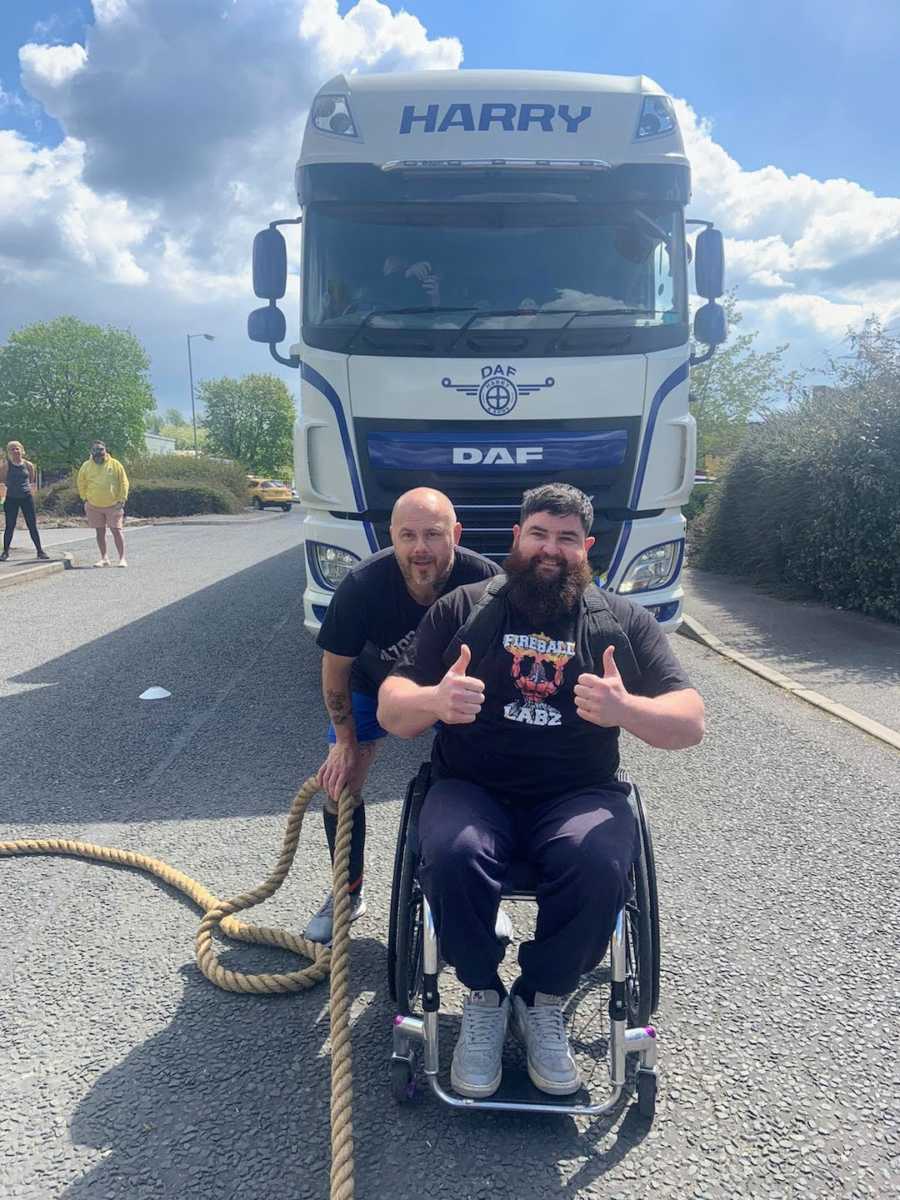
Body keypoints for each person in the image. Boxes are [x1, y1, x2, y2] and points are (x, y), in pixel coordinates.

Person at [377, 483, 704, 1099]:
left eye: (565, 539)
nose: (550, 549)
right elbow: (395, 706)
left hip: (577, 793)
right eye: (538, 535)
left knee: (602, 860)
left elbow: (690, 719)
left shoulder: (621, 621)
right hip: (472, 787)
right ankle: (482, 994)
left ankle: (540, 996)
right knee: (449, 852)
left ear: (587, 548)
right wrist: (434, 701)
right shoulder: (462, 609)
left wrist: (626, 707)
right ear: (516, 540)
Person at [305, 487, 500, 944]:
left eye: (433, 534)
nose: (420, 549)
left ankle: (480, 890)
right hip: (374, 688)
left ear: (456, 534)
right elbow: (335, 669)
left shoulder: (485, 581)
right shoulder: (362, 585)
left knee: (489, 776)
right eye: (407, 535)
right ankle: (348, 893)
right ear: (390, 536)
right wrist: (345, 743)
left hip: (452, 687)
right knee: (340, 784)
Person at [76, 441, 130, 568]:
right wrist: (85, 498)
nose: (99, 456)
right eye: (96, 453)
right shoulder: (86, 466)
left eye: (101, 452)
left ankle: (122, 558)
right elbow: (81, 483)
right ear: (92, 453)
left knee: (117, 530)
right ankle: (104, 558)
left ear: (105, 451)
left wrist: (122, 499)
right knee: (100, 532)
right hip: (93, 505)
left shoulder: (115, 464)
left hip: (113, 504)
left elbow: (124, 482)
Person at [0, 441, 50, 562]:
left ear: (22, 450)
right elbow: (2, 482)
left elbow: (32, 482)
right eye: (12, 449)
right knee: (10, 526)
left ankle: (40, 551)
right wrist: (2, 498)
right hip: (11, 498)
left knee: (32, 525)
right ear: (9, 452)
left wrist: (34, 495)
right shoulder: (6, 466)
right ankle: (5, 552)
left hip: (26, 497)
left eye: (17, 449)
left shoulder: (29, 465)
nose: (15, 451)